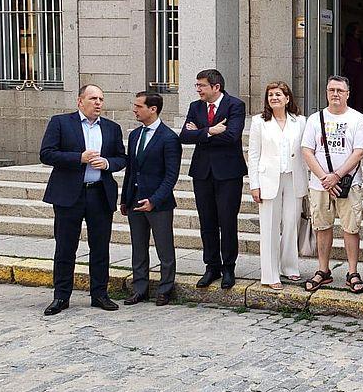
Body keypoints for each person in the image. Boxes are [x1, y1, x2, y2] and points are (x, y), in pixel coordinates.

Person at [39, 85, 126, 315]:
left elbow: (121, 158)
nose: (98, 103)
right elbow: (46, 154)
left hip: (99, 193)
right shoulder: (60, 123)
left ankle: (100, 294)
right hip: (69, 195)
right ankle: (61, 296)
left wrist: (107, 164)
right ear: (80, 102)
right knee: (66, 247)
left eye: (101, 98)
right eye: (93, 98)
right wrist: (79, 158)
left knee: (100, 247)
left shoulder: (111, 128)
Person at [179, 69, 248, 290]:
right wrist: (210, 131)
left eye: (201, 86)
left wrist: (201, 132)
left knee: (227, 221)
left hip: (228, 173)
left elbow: (232, 136)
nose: (198, 89)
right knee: (206, 222)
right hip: (202, 172)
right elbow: (184, 136)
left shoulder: (235, 105)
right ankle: (211, 266)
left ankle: (229, 267)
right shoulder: (194, 107)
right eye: (197, 85)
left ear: (215, 87)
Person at [301, 75, 363, 293]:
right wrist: (325, 178)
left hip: (348, 184)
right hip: (320, 184)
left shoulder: (357, 119)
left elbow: (359, 152)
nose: (335, 94)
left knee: (351, 228)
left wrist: (337, 176)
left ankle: (352, 271)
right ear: (326, 93)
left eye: (340, 90)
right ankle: (323, 270)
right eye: (332, 90)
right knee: (322, 227)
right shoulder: (314, 119)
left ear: (348, 94)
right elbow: (307, 151)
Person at [120, 91, 181, 306]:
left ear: (152, 109)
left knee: (164, 247)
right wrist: (125, 198)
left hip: (159, 203)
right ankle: (140, 288)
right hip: (135, 199)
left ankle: (165, 288)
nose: (134, 110)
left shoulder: (169, 138)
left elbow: (171, 175)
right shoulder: (135, 135)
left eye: (138, 106)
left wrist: (154, 200)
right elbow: (131, 170)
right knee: (138, 246)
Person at [248, 81, 309, 290]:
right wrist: (254, 184)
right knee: (270, 227)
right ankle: (270, 273)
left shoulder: (300, 121)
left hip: (294, 177)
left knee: (291, 222)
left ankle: (290, 266)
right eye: (270, 95)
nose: (274, 98)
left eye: (278, 94)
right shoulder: (259, 122)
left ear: (287, 98)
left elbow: (305, 150)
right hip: (268, 179)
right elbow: (253, 154)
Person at [342, 22, 363, 110]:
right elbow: (344, 53)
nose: (359, 31)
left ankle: (358, 108)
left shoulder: (359, 41)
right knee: (352, 89)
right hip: (351, 68)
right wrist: (353, 58)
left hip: (359, 68)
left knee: (359, 89)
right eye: (357, 29)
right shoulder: (349, 41)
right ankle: (351, 108)